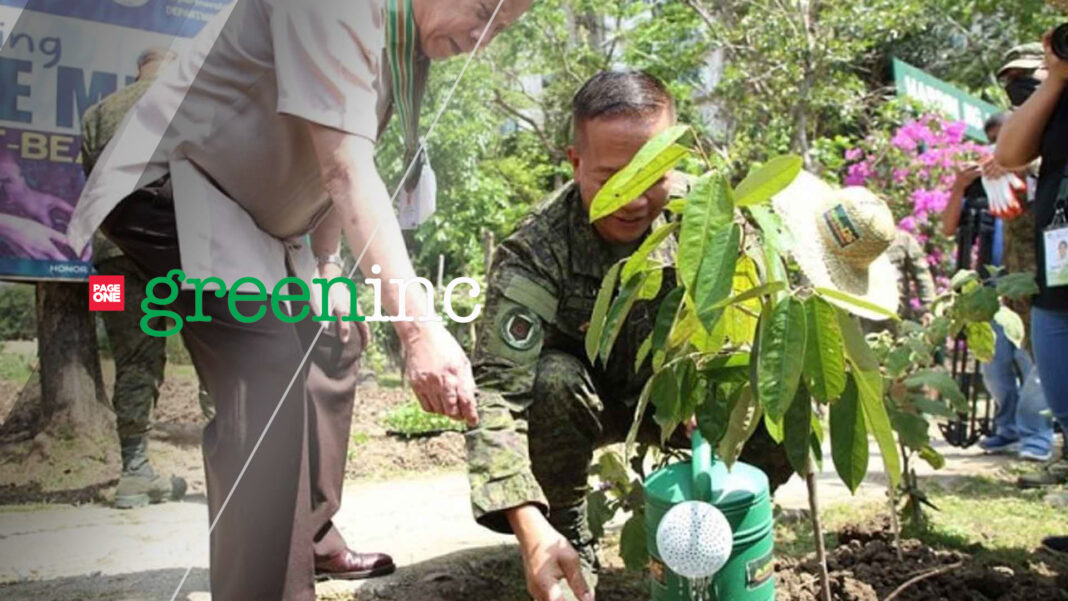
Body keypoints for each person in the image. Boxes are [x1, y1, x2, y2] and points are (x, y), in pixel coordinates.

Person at [67, 1, 532, 598]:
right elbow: (345, 170)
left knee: (335, 339)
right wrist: (419, 332)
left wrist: (328, 269)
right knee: (263, 366)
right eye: (480, 11)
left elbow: (330, 168)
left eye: (503, 27)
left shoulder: (402, 48)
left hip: (258, 222)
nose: (483, 37)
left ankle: (309, 534)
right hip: (166, 196)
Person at [465, 71, 792, 601]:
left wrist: (719, 393)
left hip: (687, 404)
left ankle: (732, 527)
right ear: (574, 162)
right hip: (584, 404)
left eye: (654, 175)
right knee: (551, 380)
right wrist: (531, 530)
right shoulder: (537, 249)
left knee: (783, 383)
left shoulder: (717, 221)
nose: (634, 200)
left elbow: (765, 332)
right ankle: (567, 539)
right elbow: (497, 394)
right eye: (613, 177)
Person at [80, 48, 191, 510]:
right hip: (169, 249)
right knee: (212, 347)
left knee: (129, 358)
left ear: (136, 69)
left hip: (105, 259)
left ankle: (133, 470)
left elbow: (91, 178)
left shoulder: (97, 113)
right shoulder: (183, 101)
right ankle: (227, 468)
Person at [943, 110, 1053, 462]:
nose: (997, 144)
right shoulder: (981, 183)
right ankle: (1007, 429)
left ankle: (1036, 437)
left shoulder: (1040, 174)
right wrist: (960, 186)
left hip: (1032, 287)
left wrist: (1018, 168)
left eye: (1004, 135)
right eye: (991, 137)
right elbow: (948, 228)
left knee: (1036, 364)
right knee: (995, 367)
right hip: (991, 291)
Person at [996, 21, 1068, 554]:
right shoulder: (1058, 96)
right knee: (1065, 406)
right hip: (1058, 283)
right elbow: (1012, 152)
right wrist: (1056, 77)